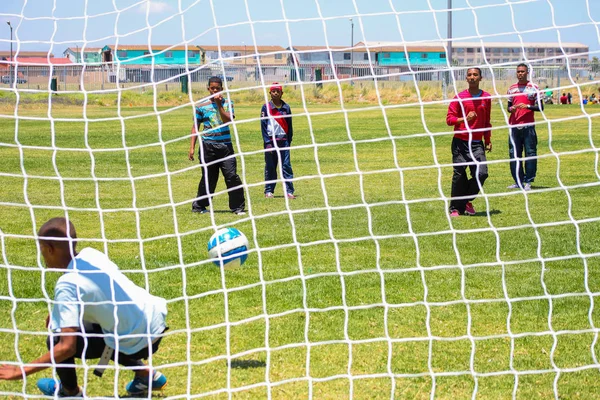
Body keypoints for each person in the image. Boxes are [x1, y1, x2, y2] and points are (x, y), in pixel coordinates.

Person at [0, 217, 168, 397]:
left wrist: (20, 371)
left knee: (56, 339)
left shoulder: (67, 284)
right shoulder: (90, 254)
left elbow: (67, 347)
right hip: (154, 322)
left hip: (137, 341)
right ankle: (146, 376)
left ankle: (70, 392)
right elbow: (102, 296)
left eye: (42, 250)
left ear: (49, 249)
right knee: (108, 325)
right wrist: (60, 311)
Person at [189, 76, 246, 215]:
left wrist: (219, 105)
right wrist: (192, 147)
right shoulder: (201, 106)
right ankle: (199, 206)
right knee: (208, 177)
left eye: (218, 88)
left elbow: (228, 121)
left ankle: (237, 208)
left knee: (232, 176)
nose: (215, 90)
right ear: (208, 88)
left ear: (222, 89)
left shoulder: (228, 103)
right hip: (208, 147)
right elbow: (195, 127)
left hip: (226, 147)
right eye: (212, 88)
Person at [445, 67, 492, 217]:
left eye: (475, 75)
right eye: (469, 75)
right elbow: (449, 120)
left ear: (480, 78)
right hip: (460, 142)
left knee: (482, 173)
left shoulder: (486, 98)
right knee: (459, 175)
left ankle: (465, 201)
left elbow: (487, 121)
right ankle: (455, 208)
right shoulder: (459, 97)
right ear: (466, 78)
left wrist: (488, 139)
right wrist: (465, 119)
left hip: (477, 143)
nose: (472, 77)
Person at [506, 63, 543, 191]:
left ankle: (528, 181)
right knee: (514, 154)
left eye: (523, 71)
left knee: (530, 153)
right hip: (514, 127)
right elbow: (508, 107)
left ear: (527, 73)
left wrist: (527, 106)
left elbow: (541, 107)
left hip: (528, 127)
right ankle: (518, 180)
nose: (520, 73)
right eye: (518, 71)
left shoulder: (534, 88)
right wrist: (512, 108)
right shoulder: (511, 89)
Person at [261, 83, 296, 199]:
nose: (275, 93)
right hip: (271, 141)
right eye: (273, 91)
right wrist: (267, 143)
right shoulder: (266, 108)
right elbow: (263, 126)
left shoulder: (286, 108)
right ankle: (269, 190)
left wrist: (289, 139)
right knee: (270, 166)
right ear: (270, 93)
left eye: (278, 91)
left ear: (282, 93)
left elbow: (290, 125)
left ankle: (289, 191)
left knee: (286, 166)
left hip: (284, 141)